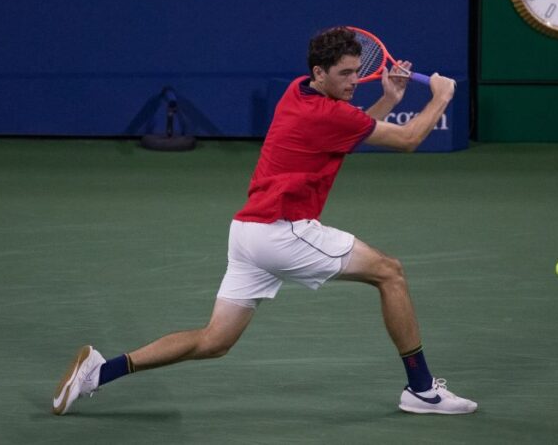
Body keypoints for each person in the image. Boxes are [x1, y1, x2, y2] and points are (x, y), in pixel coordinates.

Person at [52, 27, 476, 416]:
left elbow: (348, 133)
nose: (352, 81)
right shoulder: (330, 115)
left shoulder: (299, 91)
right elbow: (406, 140)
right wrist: (440, 95)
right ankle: (422, 390)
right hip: (283, 232)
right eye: (345, 74)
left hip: (246, 234)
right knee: (390, 273)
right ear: (319, 72)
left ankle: (99, 372)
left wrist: (389, 101)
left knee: (214, 341)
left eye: (355, 73)